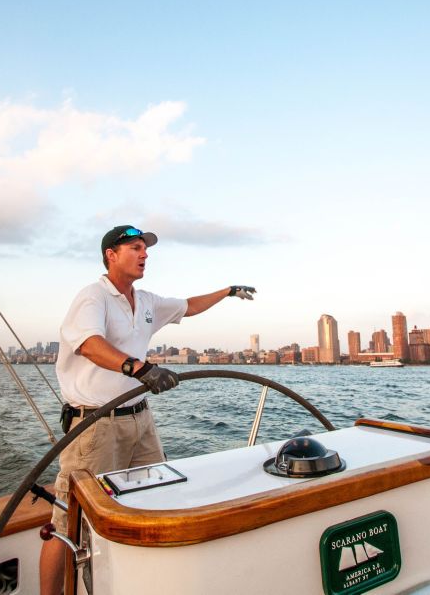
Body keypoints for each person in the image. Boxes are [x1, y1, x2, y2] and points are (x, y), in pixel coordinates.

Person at [40, 224, 255, 594]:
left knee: (154, 498)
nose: (145, 254)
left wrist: (228, 291)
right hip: (95, 426)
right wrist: (142, 369)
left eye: (146, 249)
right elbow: (89, 344)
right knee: (67, 525)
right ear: (111, 254)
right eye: (136, 248)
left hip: (140, 420)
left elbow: (189, 306)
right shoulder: (93, 297)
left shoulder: (149, 302)